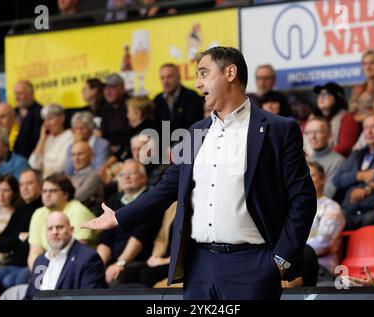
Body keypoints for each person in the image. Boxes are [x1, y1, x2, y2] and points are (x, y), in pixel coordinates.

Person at [82, 46, 316, 300]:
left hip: (254, 265)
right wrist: (119, 217)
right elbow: (165, 189)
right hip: (199, 266)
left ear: (230, 73)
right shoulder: (195, 132)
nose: (197, 83)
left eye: (204, 73)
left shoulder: (279, 129)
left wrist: (279, 260)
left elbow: (303, 199)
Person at [0, 169, 43, 290]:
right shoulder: (19, 211)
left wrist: (14, 240)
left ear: (40, 185)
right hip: (13, 266)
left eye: (29, 183)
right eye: (22, 184)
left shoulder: (43, 210)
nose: (25, 188)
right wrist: (18, 237)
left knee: (9, 281)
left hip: (29, 266)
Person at [24, 211, 106, 299]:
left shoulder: (88, 258)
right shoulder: (40, 260)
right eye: (50, 228)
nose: (54, 232)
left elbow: (90, 297)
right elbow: (30, 296)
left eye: (60, 227)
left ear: (71, 230)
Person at [27, 173, 96, 270]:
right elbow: (34, 252)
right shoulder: (39, 213)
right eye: (44, 191)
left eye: (52, 191)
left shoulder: (78, 211)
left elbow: (77, 253)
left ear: (65, 194)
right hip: (50, 265)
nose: (47, 195)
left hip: (80, 268)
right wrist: (38, 276)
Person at [306, 162, 345, 278]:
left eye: (312, 175)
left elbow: (323, 243)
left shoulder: (332, 208)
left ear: (323, 179)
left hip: (321, 269)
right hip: (294, 266)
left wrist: (289, 251)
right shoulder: (292, 207)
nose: (306, 180)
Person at [311, 82, 360, 157]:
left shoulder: (347, 118)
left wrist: (322, 155)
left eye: (325, 95)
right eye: (320, 95)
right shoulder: (312, 118)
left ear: (337, 97)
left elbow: (345, 147)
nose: (321, 98)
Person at [153, 63, 204, 134]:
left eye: (169, 77)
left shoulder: (191, 97)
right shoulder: (157, 100)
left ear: (178, 77)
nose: (165, 81)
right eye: (162, 78)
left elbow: (194, 126)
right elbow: (156, 128)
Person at [28, 104, 73, 178]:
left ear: (62, 119)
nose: (46, 124)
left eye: (50, 119)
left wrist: (43, 166)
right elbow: (33, 164)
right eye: (44, 120)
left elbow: (60, 167)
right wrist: (41, 140)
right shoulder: (47, 139)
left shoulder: (69, 136)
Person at [304, 117, 345, 198]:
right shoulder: (306, 160)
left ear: (329, 134)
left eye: (317, 132)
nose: (313, 136)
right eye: (309, 132)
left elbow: (327, 193)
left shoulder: (338, 161)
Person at [65, 111, 109, 176]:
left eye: (82, 128)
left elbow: (98, 169)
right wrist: (76, 144)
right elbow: (68, 171)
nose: (79, 132)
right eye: (76, 128)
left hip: (93, 179)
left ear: (90, 129)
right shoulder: (72, 146)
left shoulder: (102, 144)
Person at [349, 49, 374, 123]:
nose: (368, 68)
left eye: (372, 63)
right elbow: (351, 110)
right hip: (358, 125)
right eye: (364, 64)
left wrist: (359, 115)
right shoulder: (359, 88)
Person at [13, 80, 43, 159]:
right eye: (16, 94)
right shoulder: (12, 113)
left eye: (20, 93)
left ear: (31, 94)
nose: (17, 97)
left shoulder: (40, 113)